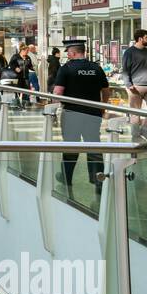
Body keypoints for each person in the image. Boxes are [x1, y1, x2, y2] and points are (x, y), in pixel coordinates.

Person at [52, 39, 109, 198]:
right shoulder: (96, 68)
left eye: (68, 52)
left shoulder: (66, 68)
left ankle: (66, 178)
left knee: (71, 146)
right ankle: (98, 181)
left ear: (73, 52)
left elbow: (57, 93)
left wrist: (52, 110)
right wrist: (103, 106)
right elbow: (106, 89)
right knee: (94, 146)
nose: (68, 55)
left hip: (72, 114)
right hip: (93, 114)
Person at [122, 29, 147, 134]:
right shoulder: (129, 52)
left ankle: (144, 130)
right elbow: (125, 70)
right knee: (135, 114)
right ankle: (135, 137)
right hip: (135, 87)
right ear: (140, 38)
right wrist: (129, 85)